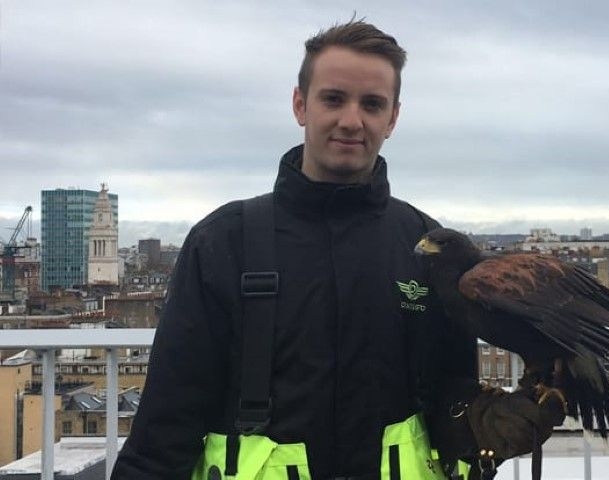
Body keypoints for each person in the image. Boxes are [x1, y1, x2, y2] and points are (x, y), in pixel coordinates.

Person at [112, 19, 563, 480]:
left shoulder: (429, 246)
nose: (352, 120)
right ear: (299, 104)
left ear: (393, 118)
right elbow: (164, 430)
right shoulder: (224, 241)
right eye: (333, 99)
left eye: (372, 104)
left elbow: (447, 393)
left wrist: (476, 425)